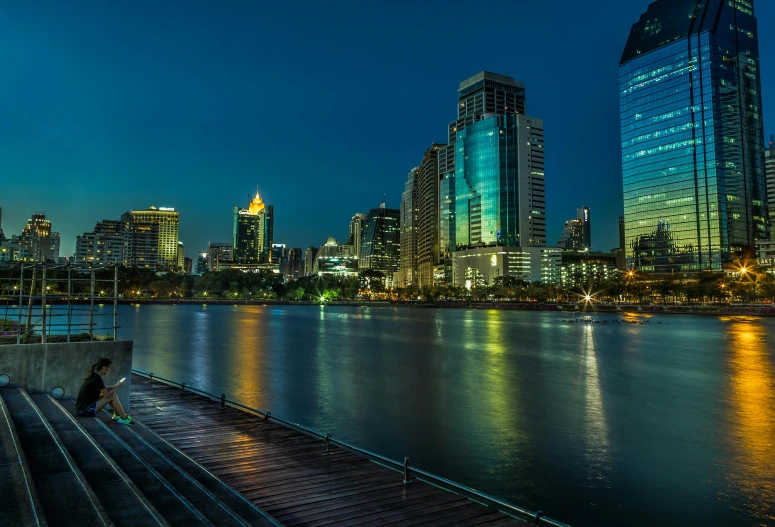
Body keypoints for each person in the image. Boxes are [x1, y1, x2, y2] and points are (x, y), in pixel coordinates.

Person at [76, 358, 133, 425]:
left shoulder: (94, 376)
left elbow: (103, 388)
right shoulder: (97, 379)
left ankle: (118, 415)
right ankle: (124, 418)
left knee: (112, 395)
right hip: (86, 411)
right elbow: (107, 395)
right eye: (109, 367)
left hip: (81, 410)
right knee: (112, 396)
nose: (109, 370)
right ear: (104, 367)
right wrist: (118, 386)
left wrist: (115, 385)